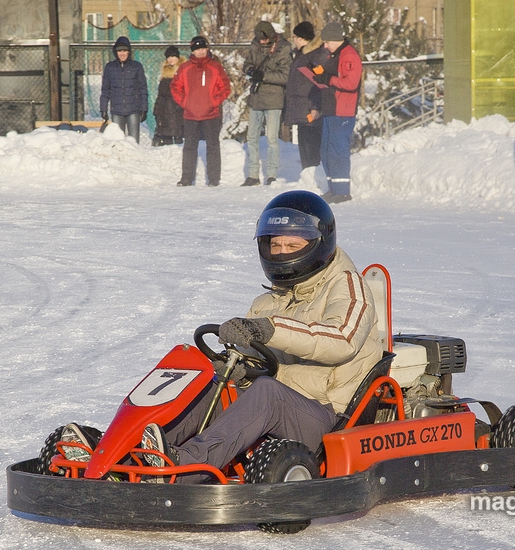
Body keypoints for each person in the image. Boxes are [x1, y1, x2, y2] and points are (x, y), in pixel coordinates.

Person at [138, 190, 383, 482]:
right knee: (213, 387)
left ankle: (184, 466)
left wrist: (270, 329)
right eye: (275, 244)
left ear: (319, 243)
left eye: (293, 244)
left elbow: (341, 341)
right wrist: (239, 373)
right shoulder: (266, 302)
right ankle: (132, 455)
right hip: (280, 409)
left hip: (329, 417)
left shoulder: (348, 287)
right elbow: (261, 364)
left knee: (267, 393)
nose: (281, 252)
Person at [311, 22, 362, 204]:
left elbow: (351, 83)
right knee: (326, 150)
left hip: (343, 111)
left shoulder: (349, 55)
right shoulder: (335, 54)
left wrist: (328, 79)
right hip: (331, 108)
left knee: (338, 151)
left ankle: (342, 192)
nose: (325, 46)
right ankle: (333, 188)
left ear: (336, 39)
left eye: (327, 42)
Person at [171, 36, 231, 187]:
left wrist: (213, 102)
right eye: (197, 49)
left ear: (207, 49)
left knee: (213, 146)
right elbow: (175, 87)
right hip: (191, 114)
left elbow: (225, 87)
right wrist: (186, 102)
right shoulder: (185, 68)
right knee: (189, 146)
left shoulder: (215, 67)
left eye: (203, 48)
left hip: (211, 114)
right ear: (193, 51)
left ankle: (213, 179)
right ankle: (187, 178)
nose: (200, 52)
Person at [241, 21, 293, 186]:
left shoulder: (283, 48)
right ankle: (253, 174)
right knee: (252, 137)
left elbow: (285, 76)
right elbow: (247, 63)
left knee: (272, 138)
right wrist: (250, 70)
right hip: (256, 97)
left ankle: (271, 174)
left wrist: (263, 75)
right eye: (259, 39)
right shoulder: (255, 45)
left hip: (273, 99)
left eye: (264, 39)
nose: (261, 42)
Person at [283, 21, 327, 172]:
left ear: (301, 38)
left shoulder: (315, 55)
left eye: (294, 36)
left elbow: (321, 84)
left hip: (310, 109)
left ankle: (315, 179)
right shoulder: (301, 55)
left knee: (312, 148)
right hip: (301, 108)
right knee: (304, 146)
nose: (293, 39)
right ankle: (307, 177)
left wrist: (316, 107)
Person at [100, 36, 148, 144]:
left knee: (134, 142)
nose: (122, 53)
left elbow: (142, 89)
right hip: (117, 110)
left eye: (125, 51)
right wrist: (103, 109)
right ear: (115, 52)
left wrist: (144, 109)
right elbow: (105, 90)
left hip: (133, 110)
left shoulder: (137, 67)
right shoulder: (110, 67)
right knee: (118, 142)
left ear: (129, 52)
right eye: (119, 51)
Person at [151, 45, 185, 146]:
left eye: (173, 56)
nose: (170, 59)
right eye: (168, 57)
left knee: (177, 136)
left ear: (178, 57)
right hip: (164, 109)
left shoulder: (183, 71)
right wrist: (156, 108)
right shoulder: (164, 73)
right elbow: (160, 94)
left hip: (177, 110)